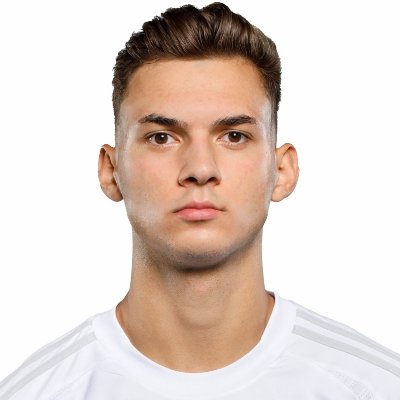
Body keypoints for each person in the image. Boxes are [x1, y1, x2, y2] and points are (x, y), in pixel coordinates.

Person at [0, 2, 399, 399]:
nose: (200, 168)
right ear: (111, 170)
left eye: (234, 136)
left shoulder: (375, 387)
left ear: (282, 170)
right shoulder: (35, 393)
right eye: (161, 137)